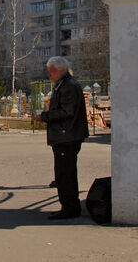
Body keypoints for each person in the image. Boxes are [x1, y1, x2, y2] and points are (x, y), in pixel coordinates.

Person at [33, 56, 88, 220]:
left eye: (52, 71)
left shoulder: (68, 86)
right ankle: (69, 206)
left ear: (61, 70)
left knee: (65, 174)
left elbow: (66, 111)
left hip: (67, 136)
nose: (50, 75)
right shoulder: (65, 85)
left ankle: (70, 207)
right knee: (65, 173)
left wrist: (44, 116)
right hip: (67, 136)